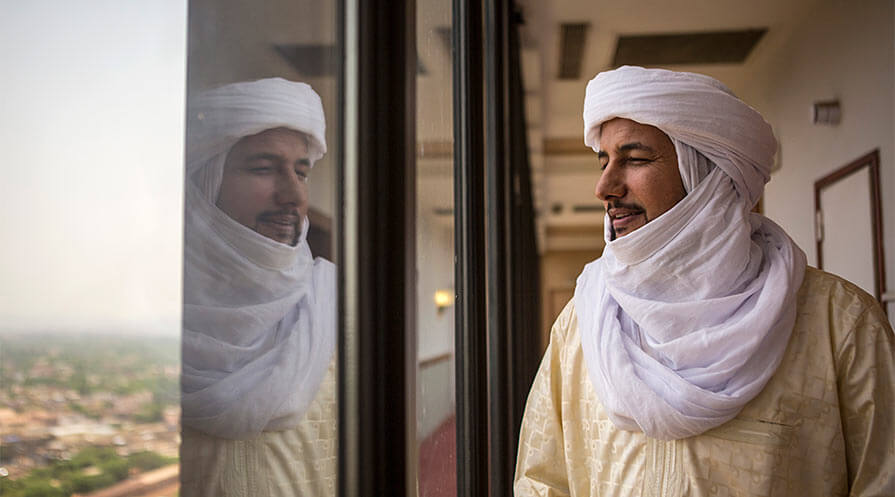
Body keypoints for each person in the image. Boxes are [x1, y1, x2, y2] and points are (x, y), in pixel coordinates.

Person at [514, 66, 895, 496]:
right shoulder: (583, 322)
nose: (604, 186)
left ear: (706, 174)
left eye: (635, 159)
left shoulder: (838, 323)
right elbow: (541, 479)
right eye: (604, 162)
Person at [179, 78, 336, 497]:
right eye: (263, 169)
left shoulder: (339, 305)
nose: (292, 195)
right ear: (204, 181)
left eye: (300, 172)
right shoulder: (150, 316)